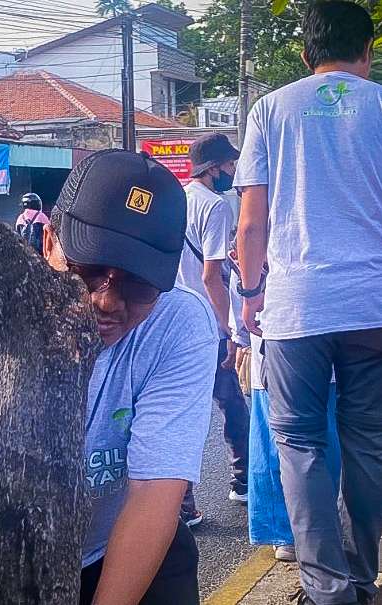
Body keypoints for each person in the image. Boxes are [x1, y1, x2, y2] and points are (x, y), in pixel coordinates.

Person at [0, 150, 217, 605]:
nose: (107, 302)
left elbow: (153, 491)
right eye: (87, 272)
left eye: (138, 285)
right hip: (5, 542)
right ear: (49, 242)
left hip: (121, 533)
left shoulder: (179, 323)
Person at [235, 3, 382, 603]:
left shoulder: (271, 108)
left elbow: (250, 222)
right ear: (367, 51)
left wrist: (249, 293)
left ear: (304, 53)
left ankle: (326, 588)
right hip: (373, 304)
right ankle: (366, 575)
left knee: (298, 444)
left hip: (296, 305)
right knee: (369, 439)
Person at [175, 133, 250, 526]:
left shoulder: (179, 200)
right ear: (214, 168)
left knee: (181, 415)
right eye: (230, 165)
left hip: (175, 320)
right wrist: (226, 330)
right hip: (206, 321)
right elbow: (210, 276)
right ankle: (242, 482)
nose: (233, 172)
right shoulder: (216, 207)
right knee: (234, 406)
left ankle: (182, 506)